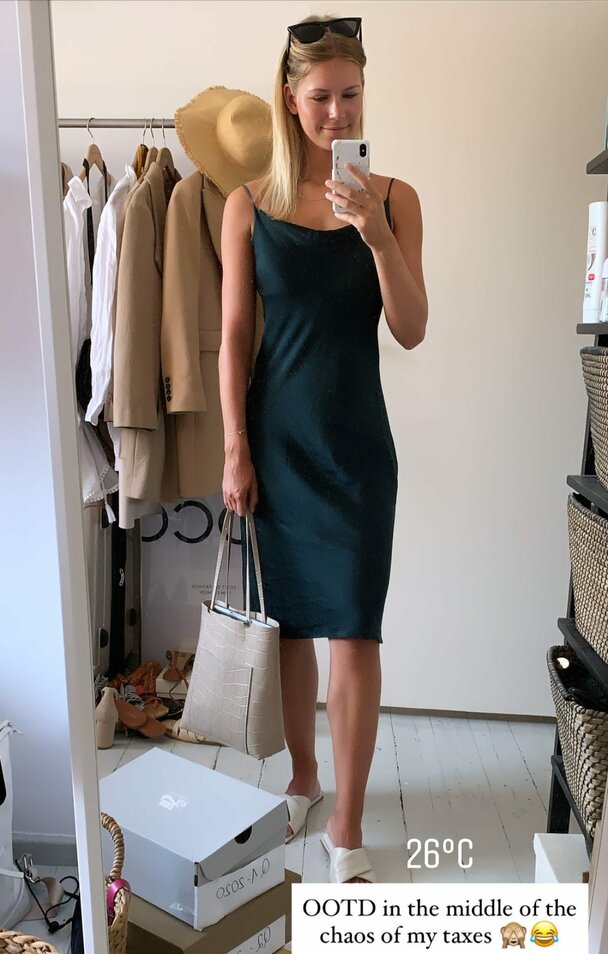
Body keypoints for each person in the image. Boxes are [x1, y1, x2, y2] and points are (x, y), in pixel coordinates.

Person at [219, 14, 427, 883]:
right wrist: (235, 445)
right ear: (289, 98)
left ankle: (346, 824)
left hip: (357, 449)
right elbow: (234, 336)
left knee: (355, 630)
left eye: (351, 95)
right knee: (292, 625)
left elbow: (410, 329)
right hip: (277, 440)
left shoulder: (396, 199)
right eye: (320, 97)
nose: (338, 113)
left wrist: (375, 233)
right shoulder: (247, 205)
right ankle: (304, 776)